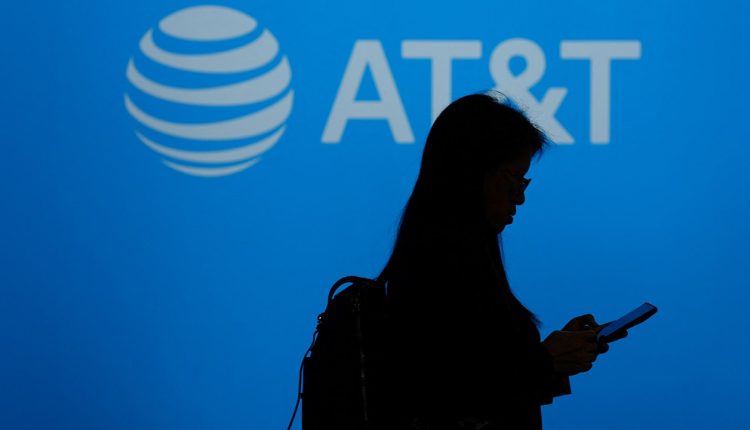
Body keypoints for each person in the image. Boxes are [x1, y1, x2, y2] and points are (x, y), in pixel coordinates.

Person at [377, 92, 624, 430]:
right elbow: (446, 394)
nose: (520, 197)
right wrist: (544, 360)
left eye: (524, 182)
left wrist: (550, 358)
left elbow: (480, 376)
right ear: (473, 173)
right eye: (513, 180)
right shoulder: (441, 268)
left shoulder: (441, 256)